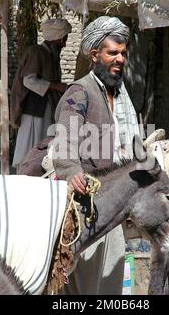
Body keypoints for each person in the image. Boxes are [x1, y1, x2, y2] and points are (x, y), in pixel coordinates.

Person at [51, 16, 140, 294]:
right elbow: (65, 135)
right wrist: (71, 170)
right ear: (94, 55)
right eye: (112, 52)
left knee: (110, 279)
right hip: (85, 202)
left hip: (113, 201)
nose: (120, 59)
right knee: (85, 282)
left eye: (123, 53)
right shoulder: (81, 91)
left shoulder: (120, 94)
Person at [10, 18, 72, 173]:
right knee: (30, 149)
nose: (64, 44)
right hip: (34, 111)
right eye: (64, 39)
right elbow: (29, 81)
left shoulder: (51, 55)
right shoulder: (36, 52)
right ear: (57, 38)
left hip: (47, 109)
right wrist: (56, 86)